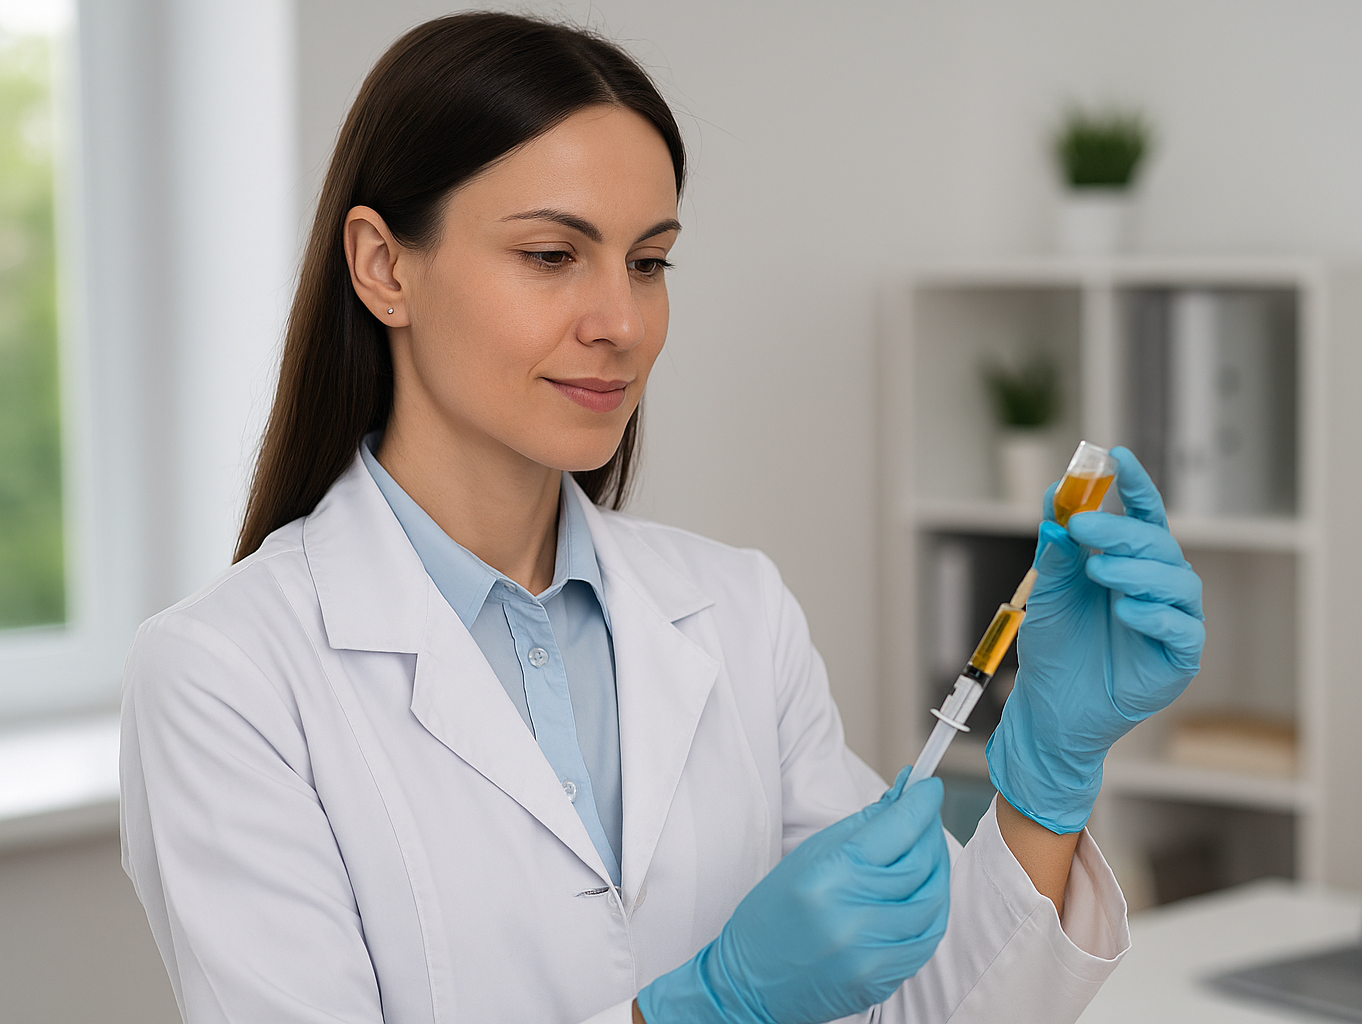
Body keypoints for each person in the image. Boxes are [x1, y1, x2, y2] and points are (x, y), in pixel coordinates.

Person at [118, 13, 1204, 1024]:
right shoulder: (227, 676)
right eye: (551, 256)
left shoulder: (735, 612)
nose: (623, 322)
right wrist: (703, 1005)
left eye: (648, 261)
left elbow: (907, 1006)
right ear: (384, 264)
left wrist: (1046, 781)